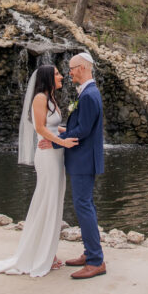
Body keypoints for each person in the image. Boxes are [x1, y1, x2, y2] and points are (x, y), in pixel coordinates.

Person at [0, 65, 78, 277]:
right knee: (46, 201)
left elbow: (53, 126)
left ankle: (48, 251)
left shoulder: (51, 98)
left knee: (54, 201)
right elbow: (40, 128)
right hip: (47, 156)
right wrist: (63, 143)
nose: (62, 76)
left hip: (56, 155)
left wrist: (74, 132)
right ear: (48, 77)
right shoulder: (40, 98)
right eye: (57, 73)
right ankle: (40, 254)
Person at [40, 52, 106, 280]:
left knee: (83, 206)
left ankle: (96, 261)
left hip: (83, 160)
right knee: (85, 206)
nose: (69, 73)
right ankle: (91, 254)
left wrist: (55, 142)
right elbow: (81, 126)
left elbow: (84, 131)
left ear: (83, 68)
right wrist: (62, 132)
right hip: (84, 159)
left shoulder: (88, 95)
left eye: (72, 69)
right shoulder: (89, 93)